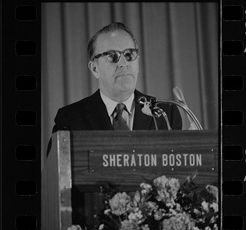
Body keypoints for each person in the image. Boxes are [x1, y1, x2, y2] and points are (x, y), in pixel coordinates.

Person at [47, 22, 182, 155]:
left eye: (129, 55)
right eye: (112, 56)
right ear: (95, 68)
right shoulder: (70, 118)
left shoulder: (166, 112)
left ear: (138, 62)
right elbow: (54, 174)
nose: (123, 64)